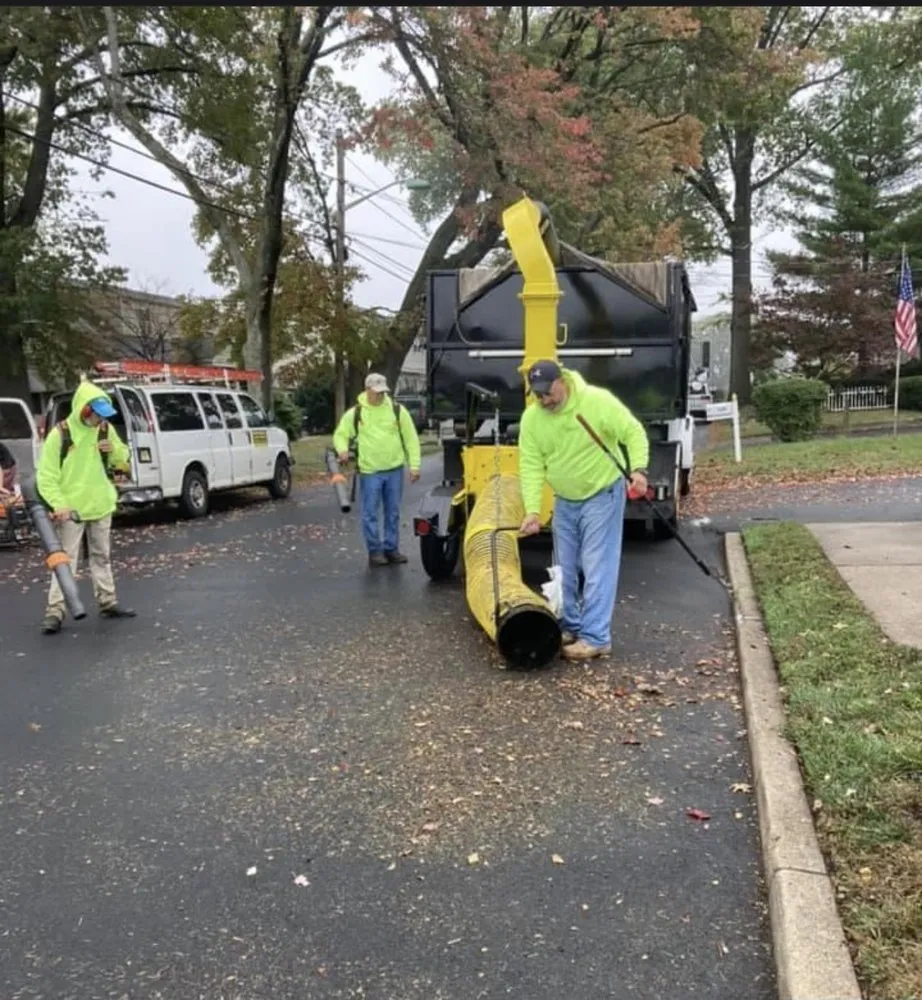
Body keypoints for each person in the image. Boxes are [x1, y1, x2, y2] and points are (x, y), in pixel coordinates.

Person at [518, 359, 649, 661]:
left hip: (601, 493)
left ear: (561, 380)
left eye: (548, 393)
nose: (543, 400)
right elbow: (531, 465)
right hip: (565, 499)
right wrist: (533, 511)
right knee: (563, 567)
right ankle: (569, 625)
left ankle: (596, 637)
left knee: (595, 566)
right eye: (537, 395)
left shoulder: (596, 402)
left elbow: (633, 432)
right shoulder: (532, 419)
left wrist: (639, 471)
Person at [36, 380, 136, 634]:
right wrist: (59, 504)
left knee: (102, 556)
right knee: (64, 562)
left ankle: (108, 602)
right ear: (85, 408)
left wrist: (115, 451)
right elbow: (46, 477)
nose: (100, 420)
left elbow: (122, 458)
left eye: (104, 416)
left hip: (100, 504)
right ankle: (55, 611)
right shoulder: (59, 435)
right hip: (71, 510)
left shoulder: (104, 430)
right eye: (98, 414)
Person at [332, 372, 422, 567]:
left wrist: (414, 465)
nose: (380, 396)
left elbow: (411, 438)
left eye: (383, 392)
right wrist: (342, 450)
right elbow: (341, 434)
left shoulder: (397, 410)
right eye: (376, 392)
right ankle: (375, 551)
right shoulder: (356, 413)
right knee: (370, 513)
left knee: (393, 512)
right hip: (370, 471)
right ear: (368, 390)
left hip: (394, 470)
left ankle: (391, 548)